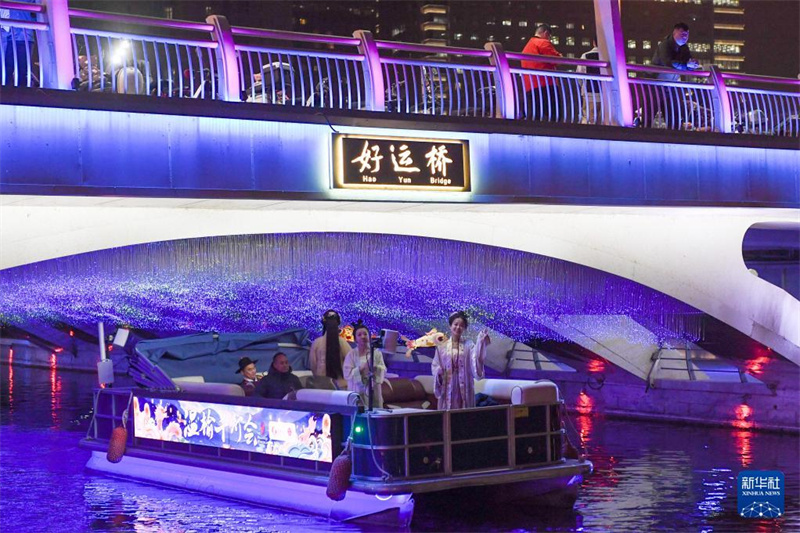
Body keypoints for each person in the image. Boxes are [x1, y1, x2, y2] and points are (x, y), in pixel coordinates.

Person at [430, 311, 491, 410]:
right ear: (450, 326)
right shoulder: (442, 346)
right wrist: (439, 371)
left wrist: (480, 342)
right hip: (448, 384)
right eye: (455, 324)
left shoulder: (469, 345)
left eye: (461, 325)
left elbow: (476, 359)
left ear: (464, 328)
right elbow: (435, 364)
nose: (458, 327)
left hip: (464, 383)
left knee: (463, 412)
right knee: (448, 412)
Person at [650, 23, 701, 129]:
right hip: (655, 85)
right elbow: (669, 62)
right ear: (674, 33)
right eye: (682, 34)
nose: (685, 37)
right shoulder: (665, 45)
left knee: (674, 118)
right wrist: (687, 65)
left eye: (686, 35)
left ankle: (673, 138)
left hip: (671, 86)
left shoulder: (684, 48)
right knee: (649, 114)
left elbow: (687, 62)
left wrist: (692, 65)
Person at [521, 23, 562, 121]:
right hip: (546, 84)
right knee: (555, 115)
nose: (549, 40)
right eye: (549, 37)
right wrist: (560, 55)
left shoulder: (527, 47)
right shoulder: (543, 42)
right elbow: (557, 60)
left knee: (534, 117)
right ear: (546, 33)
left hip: (530, 86)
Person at [342, 321, 386, 408]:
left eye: (365, 334)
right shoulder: (351, 354)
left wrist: (375, 368)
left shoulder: (376, 353)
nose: (363, 337)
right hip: (357, 391)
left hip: (374, 391)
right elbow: (347, 374)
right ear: (355, 339)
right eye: (359, 335)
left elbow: (382, 369)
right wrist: (361, 368)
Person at [309, 309, 351, 387]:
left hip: (322, 385)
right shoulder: (344, 343)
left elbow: (313, 366)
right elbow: (351, 364)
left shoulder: (316, 343)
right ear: (338, 323)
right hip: (341, 386)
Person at [0, 0, 36, 87]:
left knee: (19, 71)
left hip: (21, 36)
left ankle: (16, 95)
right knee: (7, 70)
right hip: (10, 36)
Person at [576, 38, 603, 124]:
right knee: (604, 121)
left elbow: (579, 74)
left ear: (593, 42)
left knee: (587, 119)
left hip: (589, 94)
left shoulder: (585, 55)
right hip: (605, 95)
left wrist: (582, 86)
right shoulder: (607, 56)